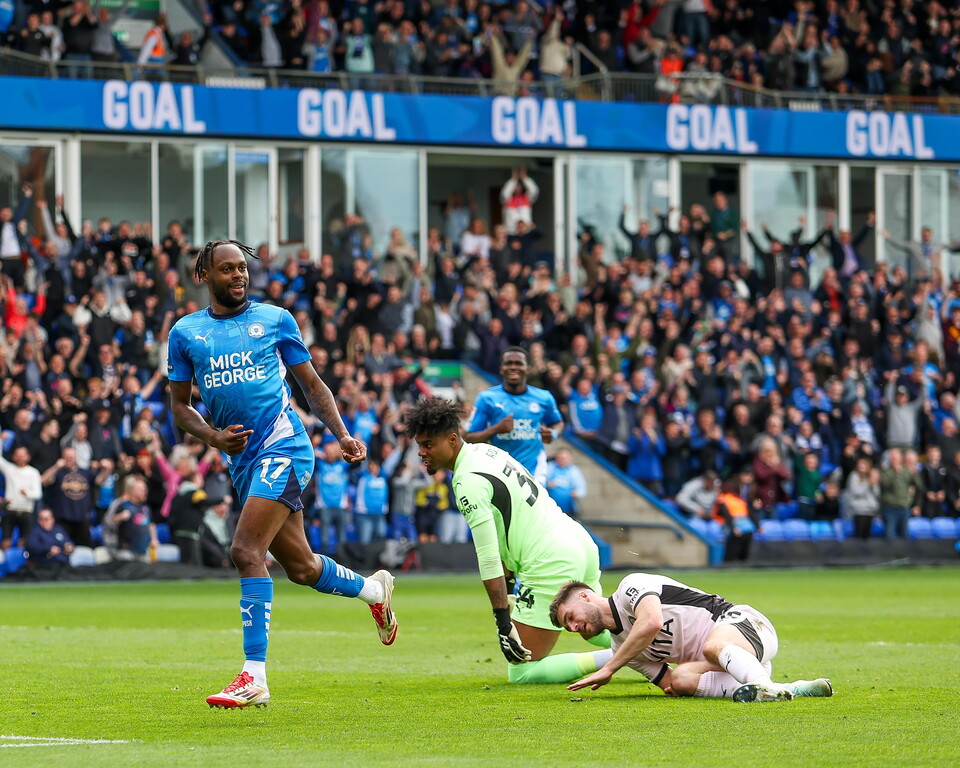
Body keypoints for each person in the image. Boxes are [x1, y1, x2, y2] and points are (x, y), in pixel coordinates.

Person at [167, 239, 398, 709]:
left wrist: (342, 434)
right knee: (302, 568)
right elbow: (178, 406)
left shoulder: (275, 320)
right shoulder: (186, 332)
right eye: (227, 269)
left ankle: (254, 676)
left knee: (244, 550)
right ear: (204, 276)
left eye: (242, 268)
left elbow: (312, 385)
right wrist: (213, 438)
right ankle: (375, 589)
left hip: (285, 447)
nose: (238, 276)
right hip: (242, 461)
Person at [405, 396, 613, 685]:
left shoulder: (467, 481)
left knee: (522, 670)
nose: (421, 453)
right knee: (600, 626)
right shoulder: (487, 452)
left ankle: (625, 657)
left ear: (452, 440)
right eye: (419, 445)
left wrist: (503, 622)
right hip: (576, 538)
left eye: (428, 445)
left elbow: (489, 556)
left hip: (549, 558)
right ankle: (658, 644)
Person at [550, 574, 833, 703]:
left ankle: (760, 684)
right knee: (681, 680)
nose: (574, 628)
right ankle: (787, 689)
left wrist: (610, 667)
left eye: (571, 617)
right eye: (568, 627)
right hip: (733, 663)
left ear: (586, 596)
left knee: (711, 646)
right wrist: (671, 683)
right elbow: (668, 684)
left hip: (745, 624)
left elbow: (651, 622)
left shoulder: (630, 587)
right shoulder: (622, 649)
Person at [465, 346, 563, 483]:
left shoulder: (544, 397)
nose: (513, 367)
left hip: (534, 473)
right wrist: (495, 429)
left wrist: (553, 433)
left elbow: (558, 423)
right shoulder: (486, 398)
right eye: (508, 363)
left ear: (528, 368)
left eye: (518, 363)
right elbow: (468, 438)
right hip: (500, 473)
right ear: (501, 368)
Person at [0, 441, 44, 550]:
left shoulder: (33, 472)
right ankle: (5, 562)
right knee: (6, 541)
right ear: (14, 457)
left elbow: (38, 494)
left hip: (26, 511)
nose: (19, 457)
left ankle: (23, 564)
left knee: (25, 542)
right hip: (11, 509)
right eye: (17, 455)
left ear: (27, 457)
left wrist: (27, 494)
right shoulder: (10, 469)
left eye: (22, 455)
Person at [25, 507, 74, 574]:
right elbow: (32, 547)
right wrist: (48, 549)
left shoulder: (58, 529)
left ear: (52, 519)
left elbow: (68, 541)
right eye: (42, 519)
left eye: (47, 519)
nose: (45, 521)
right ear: (39, 521)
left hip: (63, 566)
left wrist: (69, 547)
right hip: (44, 567)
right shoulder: (35, 532)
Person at [545, 448, 587, 517]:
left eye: (564, 458)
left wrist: (576, 493)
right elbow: (540, 482)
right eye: (560, 458)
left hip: (569, 509)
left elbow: (582, 488)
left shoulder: (574, 470)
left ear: (569, 459)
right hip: (550, 509)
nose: (562, 460)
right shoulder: (549, 467)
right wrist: (547, 485)